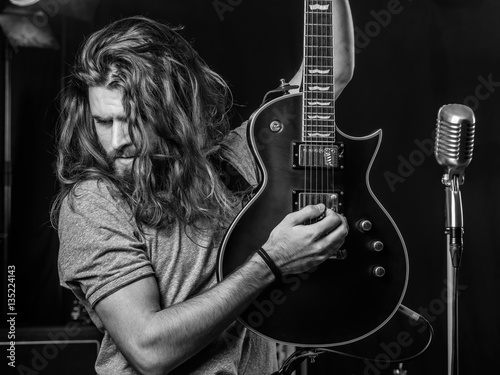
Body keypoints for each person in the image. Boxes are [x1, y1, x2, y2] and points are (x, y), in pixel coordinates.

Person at [52, 2, 354, 374]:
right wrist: (270, 263)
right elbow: (150, 350)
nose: (117, 142)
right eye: (103, 120)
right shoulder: (94, 202)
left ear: (173, 110)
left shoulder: (230, 162)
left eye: (134, 120)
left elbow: (330, 74)